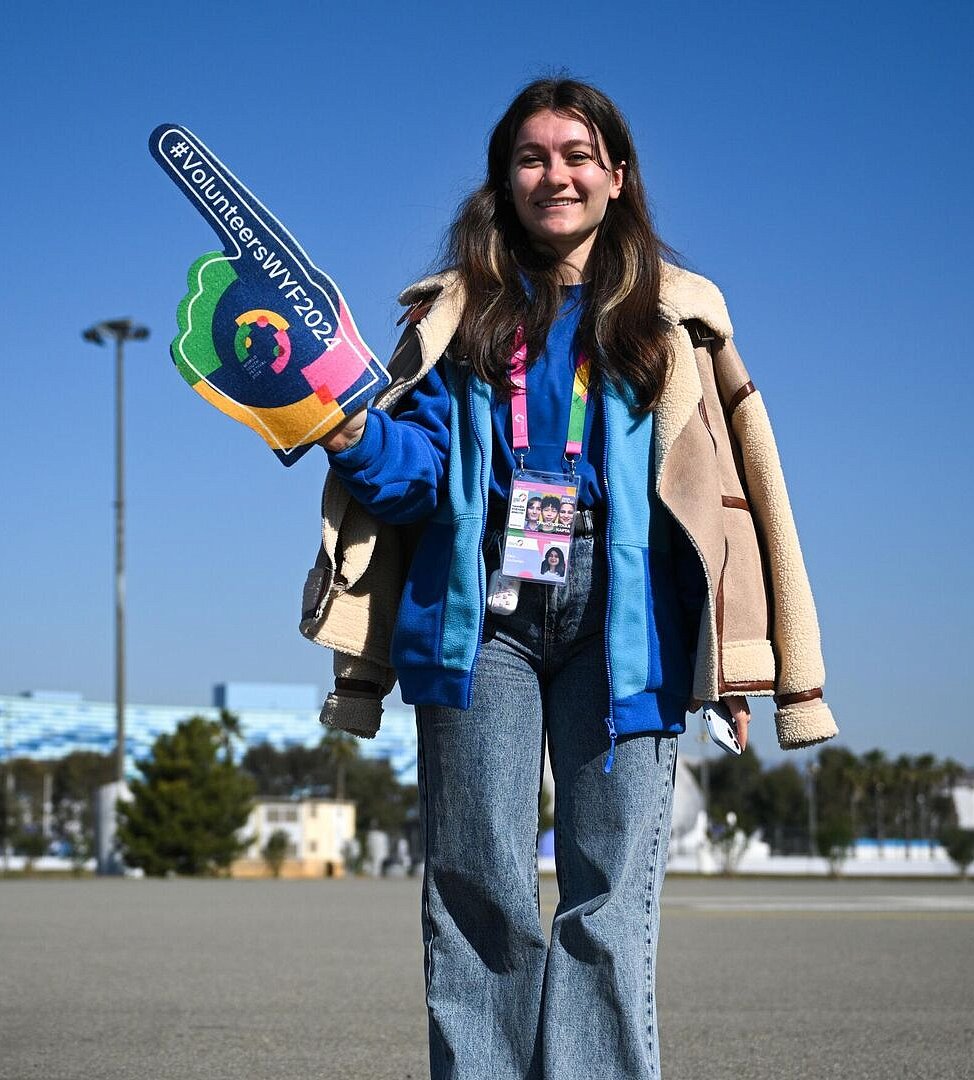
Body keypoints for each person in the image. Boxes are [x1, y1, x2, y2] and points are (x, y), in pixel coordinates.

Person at [304, 76, 837, 1080]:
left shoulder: (679, 318)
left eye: (577, 154)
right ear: (504, 181)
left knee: (612, 894)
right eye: (533, 157)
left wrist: (736, 656)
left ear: (617, 176)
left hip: (627, 610)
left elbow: (726, 498)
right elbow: (418, 481)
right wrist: (348, 431)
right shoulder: (452, 319)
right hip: (478, 606)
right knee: (478, 885)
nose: (557, 173)